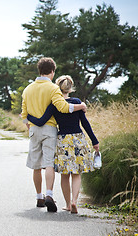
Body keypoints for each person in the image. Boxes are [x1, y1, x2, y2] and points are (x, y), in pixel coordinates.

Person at [21, 57, 87, 212]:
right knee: (49, 163)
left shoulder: (27, 89)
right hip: (49, 129)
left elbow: (24, 114)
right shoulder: (52, 88)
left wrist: (29, 127)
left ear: (39, 71)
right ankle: (49, 194)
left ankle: (39, 197)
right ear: (52, 72)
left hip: (34, 129)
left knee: (36, 166)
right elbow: (63, 107)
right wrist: (81, 106)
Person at [27, 75, 99, 214]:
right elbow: (85, 124)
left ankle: (67, 204)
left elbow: (41, 121)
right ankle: (74, 201)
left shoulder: (54, 105)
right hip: (78, 139)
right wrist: (94, 141)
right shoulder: (77, 102)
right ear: (70, 88)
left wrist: (28, 117)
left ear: (57, 88)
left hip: (63, 141)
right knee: (77, 173)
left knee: (65, 175)